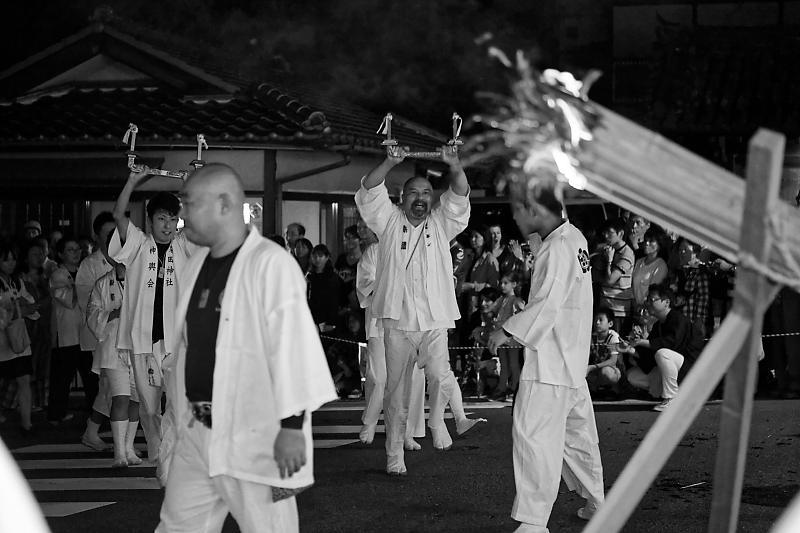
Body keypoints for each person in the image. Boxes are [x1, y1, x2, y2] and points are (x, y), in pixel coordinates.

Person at [156, 163, 336, 532]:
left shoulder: (271, 264)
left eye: (189, 203)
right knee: (177, 527)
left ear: (224, 204)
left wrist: (291, 427)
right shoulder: (195, 265)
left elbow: (293, 347)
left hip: (258, 435)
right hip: (197, 429)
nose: (182, 215)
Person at [488, 182, 604, 532]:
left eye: (522, 211)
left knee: (535, 438)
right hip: (571, 360)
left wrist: (506, 331)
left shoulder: (556, 249)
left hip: (550, 363)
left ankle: (534, 522)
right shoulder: (575, 239)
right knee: (578, 438)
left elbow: (545, 305)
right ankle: (597, 500)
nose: (519, 219)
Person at [355, 144, 472, 476]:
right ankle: (394, 454)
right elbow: (368, 191)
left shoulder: (441, 223)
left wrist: (455, 164)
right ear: (402, 198)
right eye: (413, 193)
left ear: (433, 198)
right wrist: (391, 161)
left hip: (434, 320)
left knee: (438, 375)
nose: (419, 197)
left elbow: (460, 194)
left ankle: (439, 422)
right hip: (398, 322)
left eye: (426, 192)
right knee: (396, 391)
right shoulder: (389, 223)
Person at [110, 168, 195, 469]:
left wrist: (191, 185)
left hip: (176, 342)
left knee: (176, 402)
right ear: (150, 220)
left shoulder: (184, 245)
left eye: (173, 219)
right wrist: (132, 180)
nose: (168, 225)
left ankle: (170, 456)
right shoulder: (136, 245)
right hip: (143, 341)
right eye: (162, 218)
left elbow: (203, 222)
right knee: (148, 407)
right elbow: (119, 215)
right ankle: (158, 451)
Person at [356, 223, 426, 451]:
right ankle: (370, 421)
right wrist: (389, 286)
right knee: (379, 376)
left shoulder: (416, 251)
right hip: (380, 322)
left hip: (409, 324)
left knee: (411, 380)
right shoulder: (374, 251)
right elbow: (365, 284)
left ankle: (406, 432)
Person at [87, 252, 141, 468]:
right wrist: (113, 314)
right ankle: (119, 452)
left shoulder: (141, 279)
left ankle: (129, 448)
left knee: (137, 400)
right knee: (120, 398)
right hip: (113, 349)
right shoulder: (102, 284)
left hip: (139, 348)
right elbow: (92, 315)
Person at [622, 284, 704, 411]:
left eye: (652, 300)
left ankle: (671, 398)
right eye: (647, 300)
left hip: (691, 371)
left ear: (666, 302)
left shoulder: (678, 319)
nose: (648, 303)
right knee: (632, 375)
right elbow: (649, 357)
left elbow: (671, 344)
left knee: (663, 353)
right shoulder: (658, 325)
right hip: (677, 372)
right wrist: (630, 349)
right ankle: (669, 394)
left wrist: (642, 342)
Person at [76, 212, 116, 451]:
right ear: (97, 237)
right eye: (108, 234)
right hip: (99, 338)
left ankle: (99, 432)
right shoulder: (89, 265)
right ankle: (93, 431)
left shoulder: (127, 259)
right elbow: (87, 305)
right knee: (108, 386)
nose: (114, 238)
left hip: (120, 336)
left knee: (114, 388)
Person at [47, 237, 96, 424]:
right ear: (60, 254)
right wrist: (79, 288)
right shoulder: (58, 274)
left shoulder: (84, 271)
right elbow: (68, 299)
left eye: (77, 249)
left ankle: (94, 411)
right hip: (66, 334)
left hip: (84, 332)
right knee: (62, 377)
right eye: (70, 250)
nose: (76, 253)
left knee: (90, 375)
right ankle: (56, 414)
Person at [0, 243, 37, 435]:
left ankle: (27, 423)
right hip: (3, 341)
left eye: (13, 259)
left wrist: (16, 308)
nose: (10, 263)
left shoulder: (16, 281)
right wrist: (19, 308)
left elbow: (31, 304)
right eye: (6, 259)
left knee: (24, 379)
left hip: (18, 338)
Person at [594, 218, 634, 334]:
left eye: (610, 233)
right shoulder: (607, 249)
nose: (606, 236)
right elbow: (596, 275)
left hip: (618, 311)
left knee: (615, 345)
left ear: (620, 233)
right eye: (604, 233)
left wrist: (609, 261)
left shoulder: (627, 254)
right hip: (604, 306)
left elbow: (611, 280)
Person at [489, 272, 525, 401]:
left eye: (506, 283)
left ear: (514, 284)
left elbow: (522, 315)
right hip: (502, 338)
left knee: (514, 364)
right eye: (501, 283)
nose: (502, 285)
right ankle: (502, 388)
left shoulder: (516, 300)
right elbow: (492, 310)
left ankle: (515, 388)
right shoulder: (502, 300)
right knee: (504, 365)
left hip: (512, 338)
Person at [586, 308, 623, 396]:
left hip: (613, 370)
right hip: (597, 370)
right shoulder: (592, 336)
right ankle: (598, 389)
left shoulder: (613, 337)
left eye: (601, 320)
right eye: (595, 320)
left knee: (606, 372)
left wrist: (593, 367)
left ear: (610, 324)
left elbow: (612, 361)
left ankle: (613, 388)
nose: (597, 323)